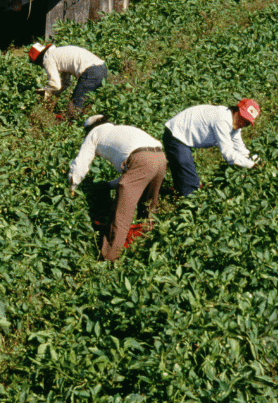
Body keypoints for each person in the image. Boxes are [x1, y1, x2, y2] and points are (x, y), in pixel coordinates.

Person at [68, 114, 167, 262]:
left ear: (89, 128)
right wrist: (109, 185)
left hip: (141, 159)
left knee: (121, 215)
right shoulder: (119, 130)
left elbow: (81, 163)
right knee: (148, 209)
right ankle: (146, 249)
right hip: (160, 157)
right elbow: (134, 174)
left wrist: (72, 186)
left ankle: (109, 259)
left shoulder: (94, 134)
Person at [163, 99, 261, 197]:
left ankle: (178, 192)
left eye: (247, 122)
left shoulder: (235, 123)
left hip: (183, 136)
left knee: (184, 172)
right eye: (242, 118)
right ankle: (187, 200)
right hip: (176, 134)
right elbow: (228, 154)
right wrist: (252, 165)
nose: (243, 124)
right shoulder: (222, 120)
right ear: (236, 111)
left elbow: (240, 147)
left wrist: (256, 161)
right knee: (191, 185)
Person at [29, 42, 107, 114]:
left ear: (38, 60)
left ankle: (65, 126)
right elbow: (66, 82)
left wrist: (46, 91)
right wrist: (55, 94)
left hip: (90, 72)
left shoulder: (47, 58)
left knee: (74, 109)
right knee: (90, 106)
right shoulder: (57, 53)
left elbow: (55, 85)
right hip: (102, 68)